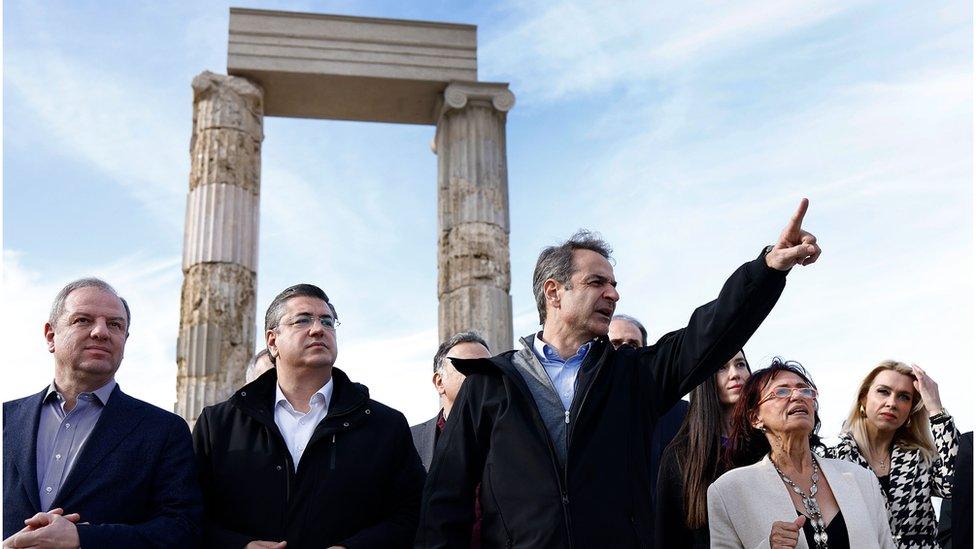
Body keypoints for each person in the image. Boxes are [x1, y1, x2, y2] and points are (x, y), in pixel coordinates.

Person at [416, 199, 821, 548]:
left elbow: (711, 330)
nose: (613, 293)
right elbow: (444, 502)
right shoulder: (490, 384)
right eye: (597, 282)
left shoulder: (633, 375)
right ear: (553, 292)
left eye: (613, 283)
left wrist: (767, 268)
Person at [193, 284, 425, 548]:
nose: (318, 329)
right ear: (272, 341)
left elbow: (411, 512)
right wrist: (240, 546)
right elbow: (187, 512)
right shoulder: (219, 424)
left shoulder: (385, 424)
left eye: (327, 321)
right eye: (302, 320)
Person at [3, 278, 202, 547]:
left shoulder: (164, 430)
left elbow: (183, 530)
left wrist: (83, 538)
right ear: (51, 336)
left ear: (125, 340)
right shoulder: (6, 419)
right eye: (83, 320)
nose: (101, 332)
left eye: (115, 325)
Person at [708, 359, 894, 549]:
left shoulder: (862, 480)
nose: (798, 396)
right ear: (755, 418)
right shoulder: (728, 491)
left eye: (805, 390)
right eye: (781, 391)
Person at [826, 361, 959, 549]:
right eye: (883, 391)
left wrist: (936, 409)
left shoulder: (922, 457)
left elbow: (956, 484)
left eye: (904, 397)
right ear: (863, 399)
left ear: (912, 409)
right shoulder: (831, 457)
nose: (892, 403)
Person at [654, 350, 749, 549]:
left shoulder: (766, 443)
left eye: (740, 364)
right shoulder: (680, 456)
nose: (735, 374)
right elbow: (667, 537)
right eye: (722, 367)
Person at [609, 313, 690, 538]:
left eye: (633, 344)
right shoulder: (579, 413)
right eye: (615, 344)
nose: (625, 350)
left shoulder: (683, 414)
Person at [411, 331, 492, 471]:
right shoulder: (409, 439)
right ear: (439, 382)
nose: (481, 376)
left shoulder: (514, 436)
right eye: (467, 367)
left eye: (488, 369)